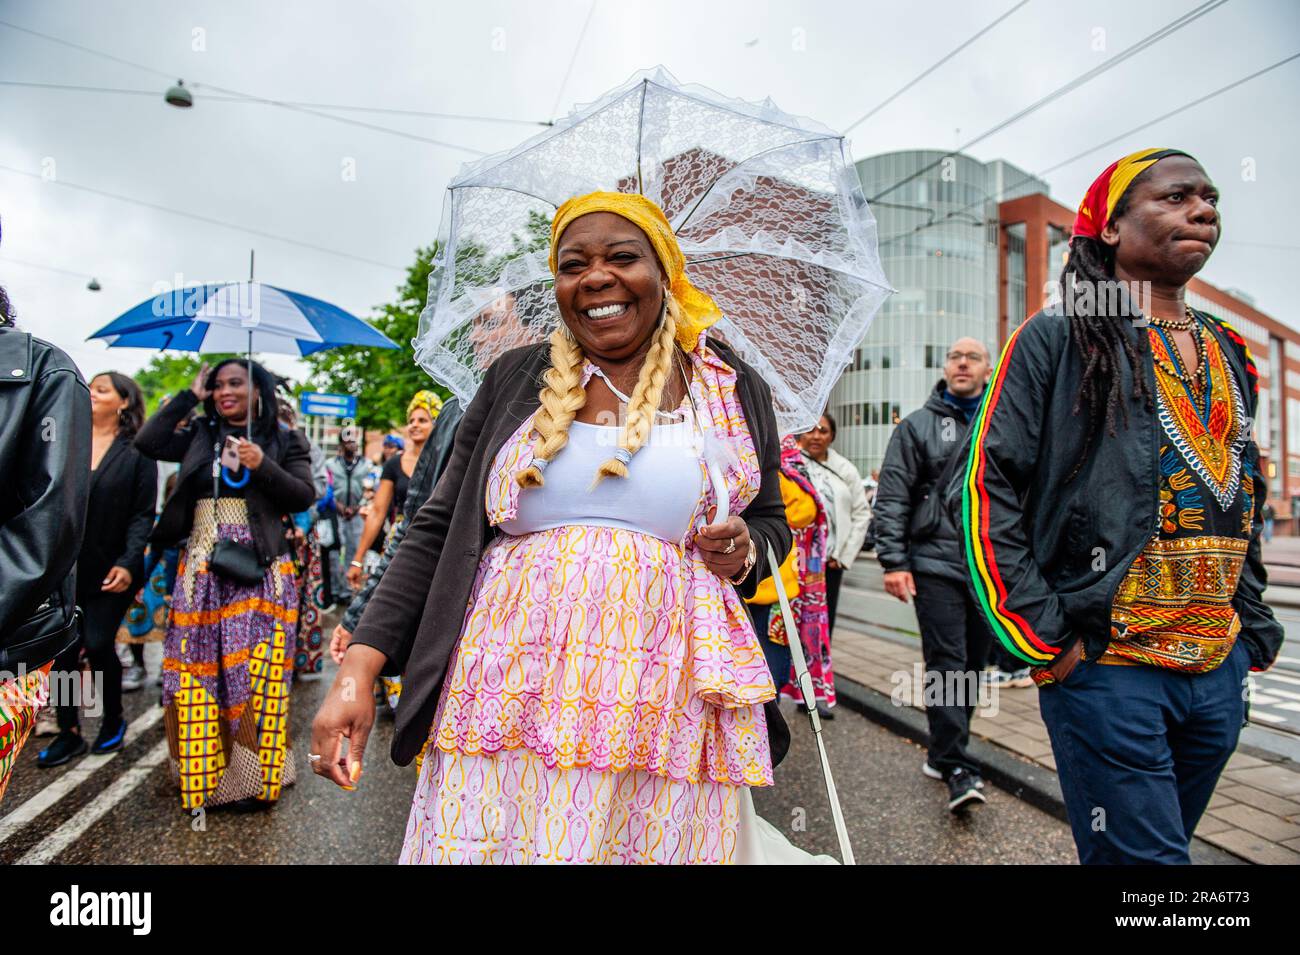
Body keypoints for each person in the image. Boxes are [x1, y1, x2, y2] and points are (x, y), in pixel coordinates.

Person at [312, 191, 792, 864]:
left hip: (665, 696)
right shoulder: (515, 376)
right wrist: (357, 670)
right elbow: (437, 526)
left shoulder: (727, 385)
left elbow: (771, 521)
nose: (596, 276)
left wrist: (745, 549)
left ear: (665, 272)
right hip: (507, 687)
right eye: (573, 264)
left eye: (622, 257)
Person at [964, 148, 1284, 863]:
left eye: (1209, 198)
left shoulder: (1232, 351)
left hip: (1216, 671)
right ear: (1110, 227)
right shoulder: (1057, 337)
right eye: (1175, 198)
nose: (1202, 209)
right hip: (1109, 667)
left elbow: (1245, 487)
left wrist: (1251, 628)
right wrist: (1048, 643)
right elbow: (988, 488)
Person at [135, 358, 315, 811]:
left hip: (261, 572)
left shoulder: (285, 438)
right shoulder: (200, 433)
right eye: (217, 385)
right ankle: (205, 782)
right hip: (200, 573)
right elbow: (147, 440)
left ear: (259, 390)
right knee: (195, 678)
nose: (224, 391)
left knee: (257, 679)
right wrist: (187, 396)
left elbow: (303, 495)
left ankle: (257, 782)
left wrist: (262, 465)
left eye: (236, 383)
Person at [875, 338, 994, 811]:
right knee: (948, 661)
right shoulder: (917, 426)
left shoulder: (1002, 422)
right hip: (934, 563)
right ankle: (957, 764)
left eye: (973, 357)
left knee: (974, 666)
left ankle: (943, 750)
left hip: (990, 569)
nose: (962, 363)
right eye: (954, 357)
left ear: (987, 369)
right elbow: (893, 496)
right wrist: (895, 562)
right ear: (945, 367)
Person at [0, 273, 91, 804]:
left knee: (98, 648)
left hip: (15, 628)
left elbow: (48, 528)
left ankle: (83, 728)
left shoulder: (42, 373)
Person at [38, 373, 156, 766]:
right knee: (65, 651)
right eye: (90, 387)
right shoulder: (68, 442)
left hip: (113, 567)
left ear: (123, 402)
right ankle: (69, 731)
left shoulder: (138, 451)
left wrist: (128, 562)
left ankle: (113, 720)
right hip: (64, 567)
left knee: (100, 643)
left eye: (102, 389)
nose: (91, 393)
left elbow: (143, 516)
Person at [748, 435, 834, 715]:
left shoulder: (786, 464)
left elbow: (804, 512)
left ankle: (764, 735)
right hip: (735, 584)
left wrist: (777, 474)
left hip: (773, 588)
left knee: (773, 670)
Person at [797, 413, 870, 635]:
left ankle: (819, 668)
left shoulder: (846, 469)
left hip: (829, 563)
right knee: (793, 621)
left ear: (833, 436)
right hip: (796, 563)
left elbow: (862, 513)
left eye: (824, 431)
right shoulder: (791, 464)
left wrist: (843, 555)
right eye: (811, 430)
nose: (817, 436)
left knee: (823, 624)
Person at [325, 425, 368, 600]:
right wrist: (337, 505)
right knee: (336, 552)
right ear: (342, 444)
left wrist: (358, 506)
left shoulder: (365, 465)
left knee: (354, 550)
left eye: (354, 440)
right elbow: (326, 489)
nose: (352, 444)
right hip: (337, 514)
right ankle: (336, 589)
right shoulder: (331, 465)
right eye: (348, 441)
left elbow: (371, 489)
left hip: (357, 515)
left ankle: (348, 589)